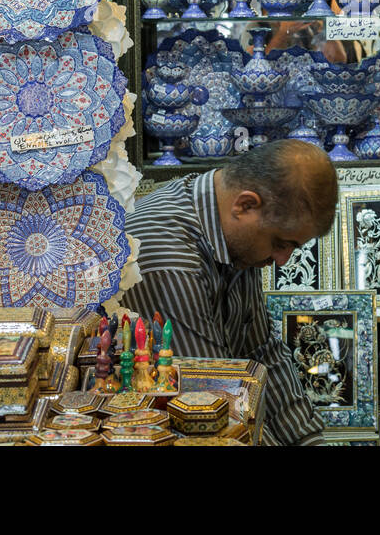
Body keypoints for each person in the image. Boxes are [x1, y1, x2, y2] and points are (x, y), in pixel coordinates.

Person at [124, 138, 339, 445]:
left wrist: (310, 441)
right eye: (281, 243)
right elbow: (211, 403)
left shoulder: (232, 232)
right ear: (246, 204)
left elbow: (262, 355)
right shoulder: (169, 257)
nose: (282, 260)